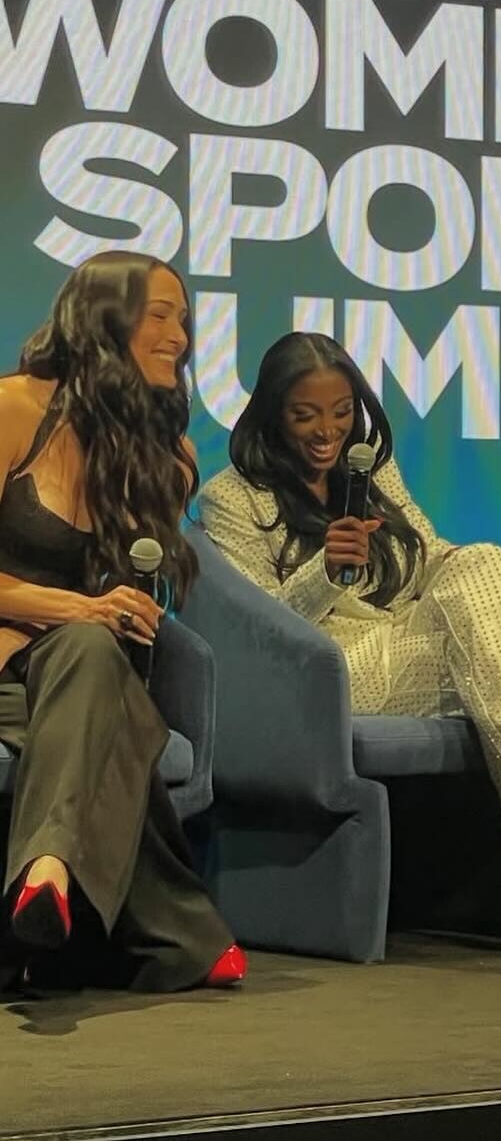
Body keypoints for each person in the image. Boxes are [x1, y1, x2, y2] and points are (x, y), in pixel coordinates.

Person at [199, 333, 501, 963]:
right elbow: (259, 630)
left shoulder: (372, 471)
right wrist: (323, 572)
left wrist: (472, 574)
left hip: (400, 641)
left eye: (341, 412)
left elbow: (427, 557)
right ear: (272, 413)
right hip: (328, 670)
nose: (327, 432)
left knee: (483, 562)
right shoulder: (232, 496)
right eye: (305, 415)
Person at [0, 252, 244, 991]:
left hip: (84, 671)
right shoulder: (13, 409)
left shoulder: (168, 454)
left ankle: (48, 874)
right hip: (10, 666)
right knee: (114, 700)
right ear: (103, 320)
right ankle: (172, 930)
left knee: (95, 659)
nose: (180, 337)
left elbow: (124, 596)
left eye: (185, 320)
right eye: (160, 315)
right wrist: (78, 608)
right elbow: (84, 611)